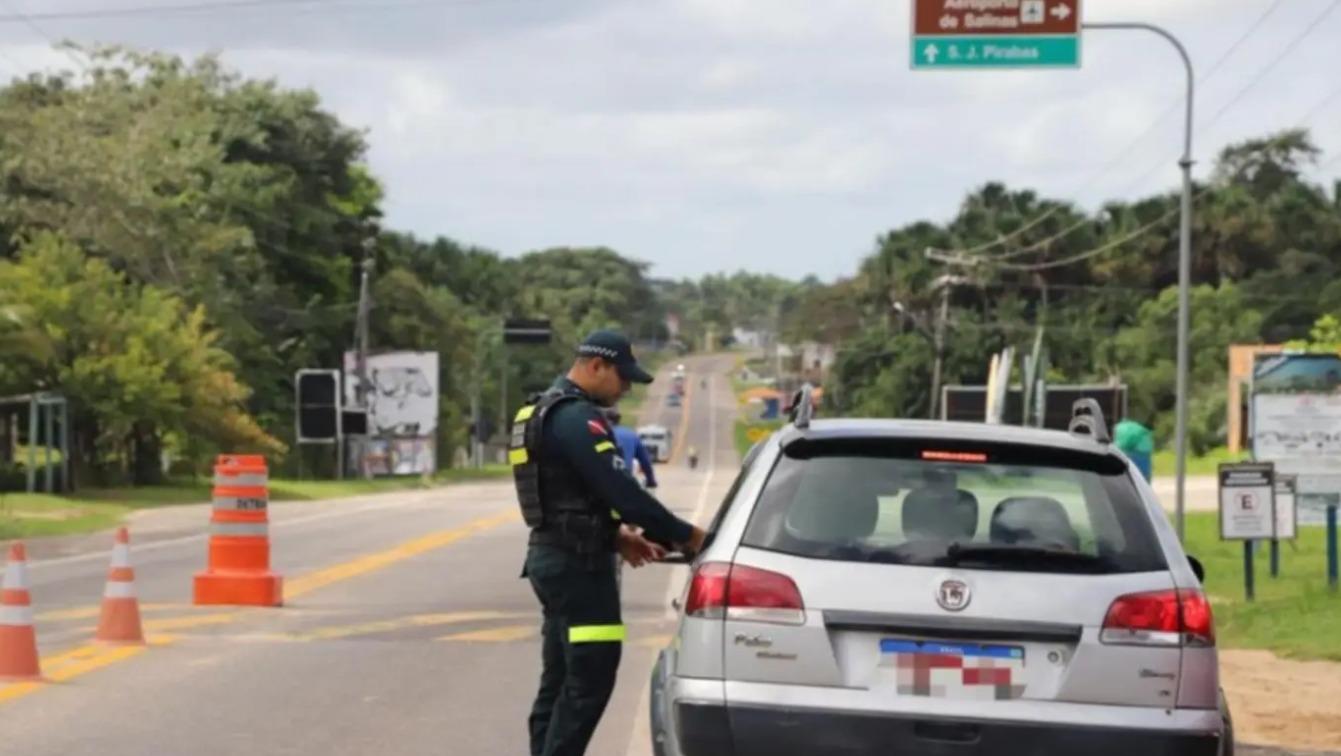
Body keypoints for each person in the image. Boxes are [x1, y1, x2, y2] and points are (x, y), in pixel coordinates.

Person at [511, 330, 706, 756]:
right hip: (578, 568)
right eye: (623, 377)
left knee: (560, 681)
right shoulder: (577, 418)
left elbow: (556, 494)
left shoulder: (538, 411)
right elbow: (623, 492)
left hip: (553, 556)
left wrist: (615, 536)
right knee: (590, 681)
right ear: (596, 366)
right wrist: (688, 536)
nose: (626, 388)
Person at [603, 407, 657, 489]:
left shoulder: (600, 433)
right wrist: (651, 480)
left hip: (603, 483)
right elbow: (645, 461)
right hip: (625, 481)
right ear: (619, 419)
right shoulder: (631, 434)